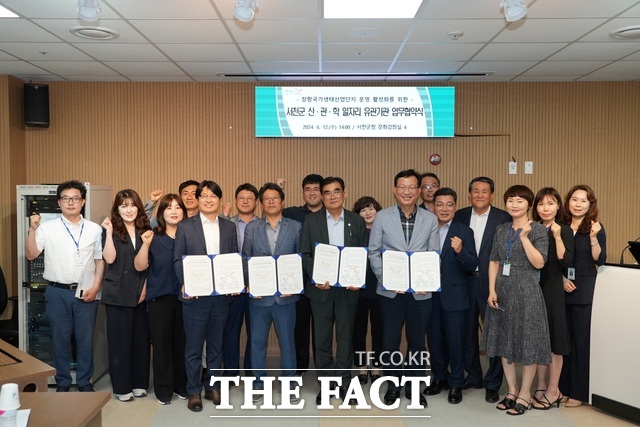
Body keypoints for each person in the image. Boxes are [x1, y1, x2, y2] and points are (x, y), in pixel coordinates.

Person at [25, 180, 105, 392]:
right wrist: (32, 230)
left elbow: (99, 260)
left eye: (75, 198)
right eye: (66, 199)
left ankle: (85, 382)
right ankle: (62, 382)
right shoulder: (47, 229)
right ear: (59, 202)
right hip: (57, 292)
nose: (71, 202)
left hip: (86, 291)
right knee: (59, 339)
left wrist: (96, 287)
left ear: (83, 201)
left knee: (85, 340)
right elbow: (31, 255)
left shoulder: (94, 230)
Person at [368, 169, 438, 407]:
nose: (407, 192)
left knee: (418, 342)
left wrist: (425, 280)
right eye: (402, 187)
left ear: (419, 191)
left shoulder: (430, 218)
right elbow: (374, 252)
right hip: (390, 292)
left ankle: (414, 386)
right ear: (395, 190)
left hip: (420, 293)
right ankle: (393, 385)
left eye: (412, 187)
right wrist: (388, 278)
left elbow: (433, 254)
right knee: (390, 341)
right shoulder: (382, 217)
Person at [481, 185, 550, 416]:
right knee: (504, 341)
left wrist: (524, 238)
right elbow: (494, 261)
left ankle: (525, 394)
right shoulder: (501, 229)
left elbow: (539, 263)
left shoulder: (538, 230)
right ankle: (511, 390)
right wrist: (491, 290)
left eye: (520, 201)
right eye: (511, 200)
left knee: (527, 342)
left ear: (529, 205)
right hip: (502, 290)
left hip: (526, 291)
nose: (514, 204)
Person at [300, 177, 367, 404]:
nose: (331, 196)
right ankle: (327, 384)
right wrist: (316, 275)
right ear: (322, 196)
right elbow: (305, 254)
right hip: (321, 289)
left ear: (344, 193)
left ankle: (345, 383)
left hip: (348, 290)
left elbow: (361, 254)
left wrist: (357, 277)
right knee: (322, 340)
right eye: (326, 192)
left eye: (336, 191)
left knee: (346, 338)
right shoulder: (311, 220)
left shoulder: (357, 221)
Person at [173, 180, 238, 412]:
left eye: (213, 196)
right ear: (198, 200)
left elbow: (233, 259)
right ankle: (193, 391)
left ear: (219, 200)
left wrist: (235, 281)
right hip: (195, 298)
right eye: (204, 196)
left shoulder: (229, 227)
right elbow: (177, 260)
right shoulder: (185, 226)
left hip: (220, 297)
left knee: (216, 345)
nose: (209, 199)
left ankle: (212, 386)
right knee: (193, 347)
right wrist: (185, 283)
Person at [242, 183, 301, 404]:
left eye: (275, 198)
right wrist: (250, 284)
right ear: (261, 202)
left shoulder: (295, 227)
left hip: (286, 296)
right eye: (266, 198)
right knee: (257, 341)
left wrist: (294, 286)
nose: (271, 202)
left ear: (282, 201)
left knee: (287, 340)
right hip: (259, 296)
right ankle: (258, 382)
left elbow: (299, 259)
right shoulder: (253, 228)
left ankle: (289, 380)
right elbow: (245, 258)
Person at [453, 176, 511, 403]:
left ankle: (493, 383)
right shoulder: (460, 215)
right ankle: (474, 375)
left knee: (494, 332)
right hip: (464, 281)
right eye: (475, 191)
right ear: (469, 194)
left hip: (491, 284)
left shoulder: (502, 217)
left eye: (484, 191)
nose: (479, 195)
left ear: (492, 195)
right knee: (467, 332)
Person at [134, 194, 188, 405]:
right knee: (162, 345)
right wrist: (145, 245)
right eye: (169, 208)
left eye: (178, 207)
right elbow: (140, 266)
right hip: (159, 299)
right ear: (162, 213)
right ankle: (164, 390)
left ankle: (182, 385)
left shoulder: (190, 235)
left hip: (187, 299)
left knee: (183, 344)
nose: (174, 211)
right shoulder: (153, 236)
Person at [425, 188, 477, 405]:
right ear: (433, 207)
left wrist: (460, 251)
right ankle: (439, 378)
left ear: (455, 207)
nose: (444, 209)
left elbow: (472, 264)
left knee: (456, 342)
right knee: (434, 340)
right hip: (428, 294)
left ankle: (456, 382)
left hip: (455, 296)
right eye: (440, 204)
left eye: (449, 204)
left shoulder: (464, 231)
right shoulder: (424, 229)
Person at [101, 189, 151, 402]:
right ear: (117, 209)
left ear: (138, 207)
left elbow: (151, 263)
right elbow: (109, 258)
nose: (128, 210)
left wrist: (146, 287)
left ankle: (140, 383)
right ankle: (122, 387)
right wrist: (109, 231)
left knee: (141, 340)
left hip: (140, 291)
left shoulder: (146, 229)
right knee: (120, 342)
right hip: (117, 292)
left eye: (132, 205)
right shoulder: (110, 229)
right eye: (123, 206)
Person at [559, 185, 606, 408]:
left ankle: (579, 392)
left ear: (590, 205)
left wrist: (594, 238)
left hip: (584, 291)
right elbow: (554, 259)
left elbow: (600, 259)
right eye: (574, 199)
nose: (578, 204)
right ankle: (562, 388)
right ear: (568, 202)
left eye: (583, 201)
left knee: (581, 344)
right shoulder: (560, 226)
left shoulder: (594, 227)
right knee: (563, 343)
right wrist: (562, 279)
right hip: (560, 290)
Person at [531, 187, 574, 410]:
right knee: (539, 342)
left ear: (558, 206)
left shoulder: (564, 230)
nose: (545, 208)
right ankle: (540, 387)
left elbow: (565, 260)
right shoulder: (531, 229)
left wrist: (557, 236)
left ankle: (553, 390)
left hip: (553, 291)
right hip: (533, 290)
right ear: (535, 207)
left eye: (550, 203)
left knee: (556, 343)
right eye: (541, 204)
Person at [283, 173, 323, 376]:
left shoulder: (330, 214)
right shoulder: (291, 213)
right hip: (297, 281)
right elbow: (271, 211)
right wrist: (278, 188)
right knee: (299, 327)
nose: (312, 193)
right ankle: (300, 367)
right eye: (308, 189)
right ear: (302, 192)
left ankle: (322, 367)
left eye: (316, 189)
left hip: (323, 282)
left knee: (321, 329)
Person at [223, 183, 260, 377]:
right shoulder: (227, 224)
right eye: (241, 198)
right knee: (231, 332)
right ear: (236, 200)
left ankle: (252, 372)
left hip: (257, 286)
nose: (245, 201)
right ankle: (230, 373)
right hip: (232, 287)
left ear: (256, 201)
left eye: (250, 198)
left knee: (256, 332)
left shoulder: (262, 225)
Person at [351, 196, 383, 384]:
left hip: (380, 287)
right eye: (363, 210)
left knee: (379, 328)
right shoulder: (355, 232)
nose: (368, 213)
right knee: (358, 329)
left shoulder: (385, 232)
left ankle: (378, 366)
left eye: (371, 209)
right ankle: (362, 366)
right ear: (357, 215)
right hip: (358, 288)